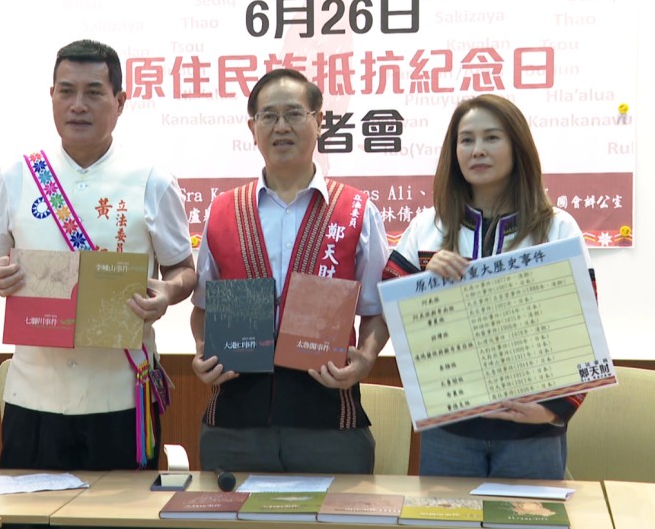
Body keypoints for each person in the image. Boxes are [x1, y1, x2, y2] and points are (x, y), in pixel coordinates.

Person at [0, 39, 196, 471]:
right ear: (51, 96)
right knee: (28, 507)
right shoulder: (16, 176)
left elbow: (183, 270)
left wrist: (168, 293)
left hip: (121, 395)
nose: (78, 105)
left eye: (94, 92)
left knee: (124, 509)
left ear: (120, 101)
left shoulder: (152, 181)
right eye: (66, 91)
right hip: (33, 394)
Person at [190, 68, 391, 474]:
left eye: (294, 114)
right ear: (253, 128)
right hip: (233, 426)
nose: (281, 126)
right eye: (268, 116)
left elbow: (378, 308)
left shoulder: (356, 210)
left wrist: (367, 358)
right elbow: (203, 307)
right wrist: (200, 352)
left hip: (329, 423)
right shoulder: (223, 210)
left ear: (319, 121)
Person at [383, 94, 591, 479]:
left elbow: (581, 328)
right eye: (466, 140)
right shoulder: (429, 226)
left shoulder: (557, 228)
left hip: (532, 433)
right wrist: (423, 282)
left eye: (491, 138)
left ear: (517, 146)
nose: (477, 150)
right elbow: (390, 308)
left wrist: (553, 411)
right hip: (449, 429)